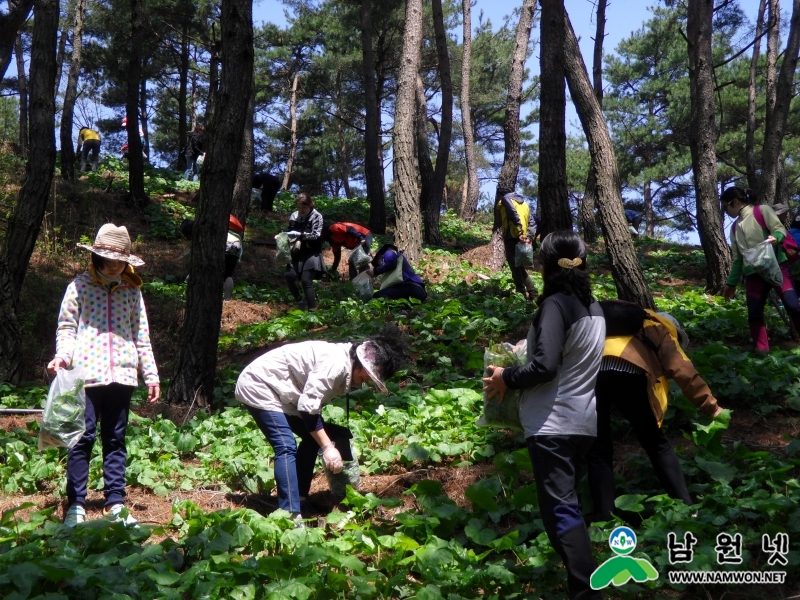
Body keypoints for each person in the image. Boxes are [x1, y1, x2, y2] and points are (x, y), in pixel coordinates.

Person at [483, 231, 605, 600]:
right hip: (582, 423)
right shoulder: (593, 307)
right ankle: (581, 586)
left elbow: (546, 367)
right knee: (569, 510)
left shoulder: (555, 304)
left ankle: (587, 592)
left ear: (546, 264)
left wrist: (506, 376)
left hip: (552, 424)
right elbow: (568, 358)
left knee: (561, 514)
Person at [46, 224, 160, 528]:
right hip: (86, 375)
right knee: (82, 439)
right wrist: (62, 357)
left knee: (115, 438)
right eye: (107, 260)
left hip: (122, 376)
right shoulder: (79, 287)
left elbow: (141, 335)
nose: (113, 266)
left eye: (119, 261)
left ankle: (115, 503)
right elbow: (67, 328)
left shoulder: (132, 290)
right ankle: (76, 505)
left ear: (126, 261)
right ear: (96, 257)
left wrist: (151, 375)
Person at [234, 328, 410, 522]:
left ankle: (300, 496)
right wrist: (328, 447)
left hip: (285, 393)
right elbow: (309, 410)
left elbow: (311, 408)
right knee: (285, 445)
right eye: (369, 375)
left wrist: (329, 442)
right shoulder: (335, 365)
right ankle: (290, 514)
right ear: (359, 364)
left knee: (317, 437)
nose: (367, 381)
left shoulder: (346, 364)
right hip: (260, 385)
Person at [584, 301, 724, 524]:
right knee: (656, 443)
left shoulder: (616, 323)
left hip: (593, 372)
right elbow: (681, 369)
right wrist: (711, 406)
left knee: (599, 449)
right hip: (629, 372)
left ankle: (604, 517)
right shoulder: (660, 327)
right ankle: (686, 507)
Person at [722, 186, 800, 352]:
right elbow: (738, 259)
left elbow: (779, 229)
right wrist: (731, 284)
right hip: (753, 275)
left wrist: (775, 237)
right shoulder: (734, 228)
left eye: (725, 206)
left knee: (793, 305)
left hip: (777, 267)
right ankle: (762, 351)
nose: (725, 211)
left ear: (735, 202)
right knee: (754, 312)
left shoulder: (762, 211)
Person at [285, 192, 325, 310]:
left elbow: (316, 235)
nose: (301, 210)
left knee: (306, 280)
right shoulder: (294, 216)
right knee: (289, 275)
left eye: (304, 208)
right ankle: (300, 301)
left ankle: (312, 310)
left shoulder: (317, 216)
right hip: (296, 252)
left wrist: (301, 235)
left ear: (310, 205)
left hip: (312, 252)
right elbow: (290, 231)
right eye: (299, 207)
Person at [495, 192, 537, 300]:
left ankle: (521, 294)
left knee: (515, 267)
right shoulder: (525, 204)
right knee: (519, 266)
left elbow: (512, 214)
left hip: (513, 236)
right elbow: (532, 222)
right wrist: (529, 236)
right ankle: (533, 293)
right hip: (523, 237)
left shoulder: (505, 200)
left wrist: (519, 232)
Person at [224, 214, 245, 301]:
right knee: (228, 274)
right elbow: (240, 250)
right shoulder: (237, 235)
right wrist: (239, 259)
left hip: (225, 246)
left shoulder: (220, 230)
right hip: (235, 248)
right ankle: (227, 299)